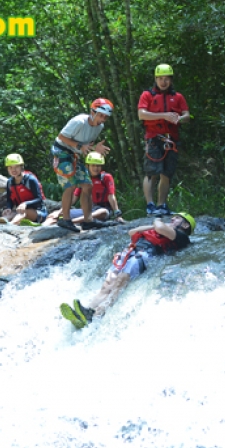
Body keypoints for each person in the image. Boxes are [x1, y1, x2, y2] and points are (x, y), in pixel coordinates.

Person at [60, 212, 195, 329]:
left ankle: (97, 316)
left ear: (185, 225)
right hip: (131, 253)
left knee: (119, 282)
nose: (172, 219)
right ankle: (88, 311)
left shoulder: (181, 236)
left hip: (144, 256)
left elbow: (159, 227)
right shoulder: (161, 229)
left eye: (177, 218)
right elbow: (133, 232)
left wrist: (157, 220)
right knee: (107, 285)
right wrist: (154, 225)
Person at [52, 98, 113, 232]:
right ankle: (66, 219)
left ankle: (88, 220)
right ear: (92, 112)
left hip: (75, 154)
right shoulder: (79, 121)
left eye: (105, 117)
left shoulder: (99, 127)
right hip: (61, 152)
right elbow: (61, 137)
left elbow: (86, 146)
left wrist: (95, 149)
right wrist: (80, 146)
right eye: (101, 115)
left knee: (87, 185)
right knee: (71, 185)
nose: (103, 119)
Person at [138, 64, 190, 216]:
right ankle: (150, 205)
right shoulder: (147, 95)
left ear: (171, 80)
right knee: (151, 172)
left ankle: (162, 205)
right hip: (153, 138)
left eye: (166, 79)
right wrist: (164, 115)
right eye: (160, 78)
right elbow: (142, 114)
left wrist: (179, 118)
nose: (163, 82)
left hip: (171, 139)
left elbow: (187, 115)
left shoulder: (178, 97)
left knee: (166, 173)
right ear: (155, 79)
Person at [43, 152, 124, 225]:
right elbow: (74, 198)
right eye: (93, 165)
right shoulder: (84, 179)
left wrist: (117, 213)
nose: (96, 168)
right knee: (54, 214)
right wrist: (60, 212)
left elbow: (111, 196)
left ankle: (73, 221)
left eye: (98, 165)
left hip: (104, 209)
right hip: (89, 209)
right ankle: (43, 227)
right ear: (87, 166)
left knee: (103, 212)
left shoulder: (106, 177)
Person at [1, 153, 47, 226]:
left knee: (23, 212)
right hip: (20, 212)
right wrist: (8, 208)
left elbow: (39, 199)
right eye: (10, 167)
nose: (13, 170)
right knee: (7, 215)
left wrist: (25, 204)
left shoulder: (30, 180)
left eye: (16, 167)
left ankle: (11, 225)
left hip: (38, 213)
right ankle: (2, 223)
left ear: (21, 167)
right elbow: (10, 200)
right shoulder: (10, 182)